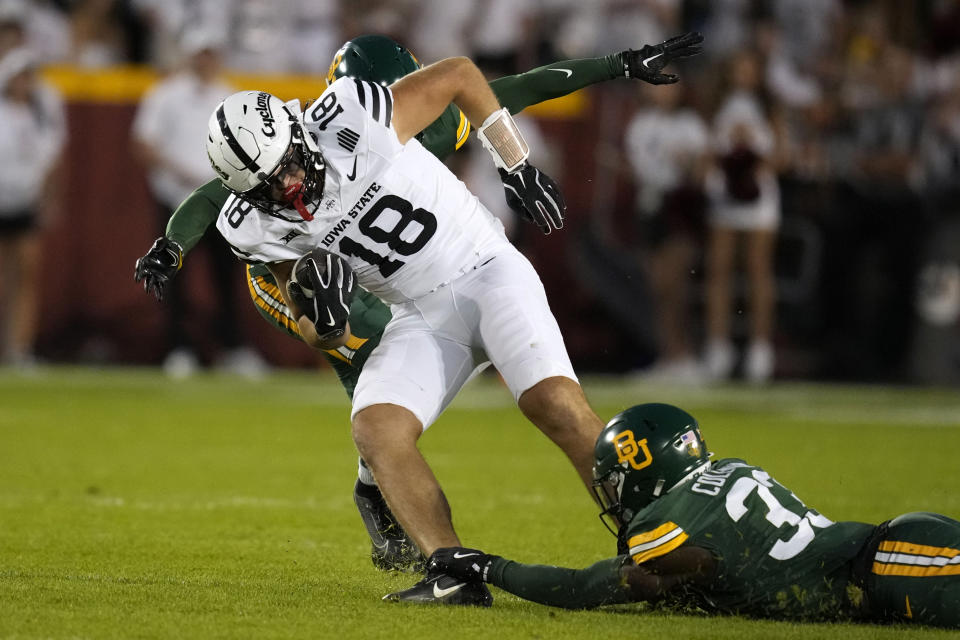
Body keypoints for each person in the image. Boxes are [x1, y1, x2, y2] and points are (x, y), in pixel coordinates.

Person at [134, 32, 704, 584]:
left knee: (552, 402)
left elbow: (464, 75)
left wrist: (517, 162)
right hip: (417, 314)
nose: (285, 188)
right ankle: (451, 569)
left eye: (287, 167)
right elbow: (308, 321)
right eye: (265, 186)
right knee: (375, 427)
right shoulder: (253, 219)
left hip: (483, 270)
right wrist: (326, 325)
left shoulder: (358, 115)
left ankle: (651, 541)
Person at [427, 403, 960, 628]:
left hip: (893, 570)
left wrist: (488, 566)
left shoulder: (664, 521)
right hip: (893, 553)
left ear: (643, 468)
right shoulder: (724, 468)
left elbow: (588, 586)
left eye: (615, 481)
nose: (614, 496)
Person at [132, 29, 267, 378]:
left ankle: (233, 348)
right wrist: (182, 174)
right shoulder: (166, 95)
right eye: (200, 53)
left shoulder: (229, 95)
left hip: (222, 203)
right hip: (175, 200)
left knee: (229, 277)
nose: (205, 60)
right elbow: (144, 145)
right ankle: (179, 348)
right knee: (173, 275)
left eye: (210, 53)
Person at [0, 46, 65, 368]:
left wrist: (47, 198)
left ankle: (19, 347)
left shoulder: (39, 117)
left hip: (24, 202)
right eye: (19, 76)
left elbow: (50, 162)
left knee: (25, 274)